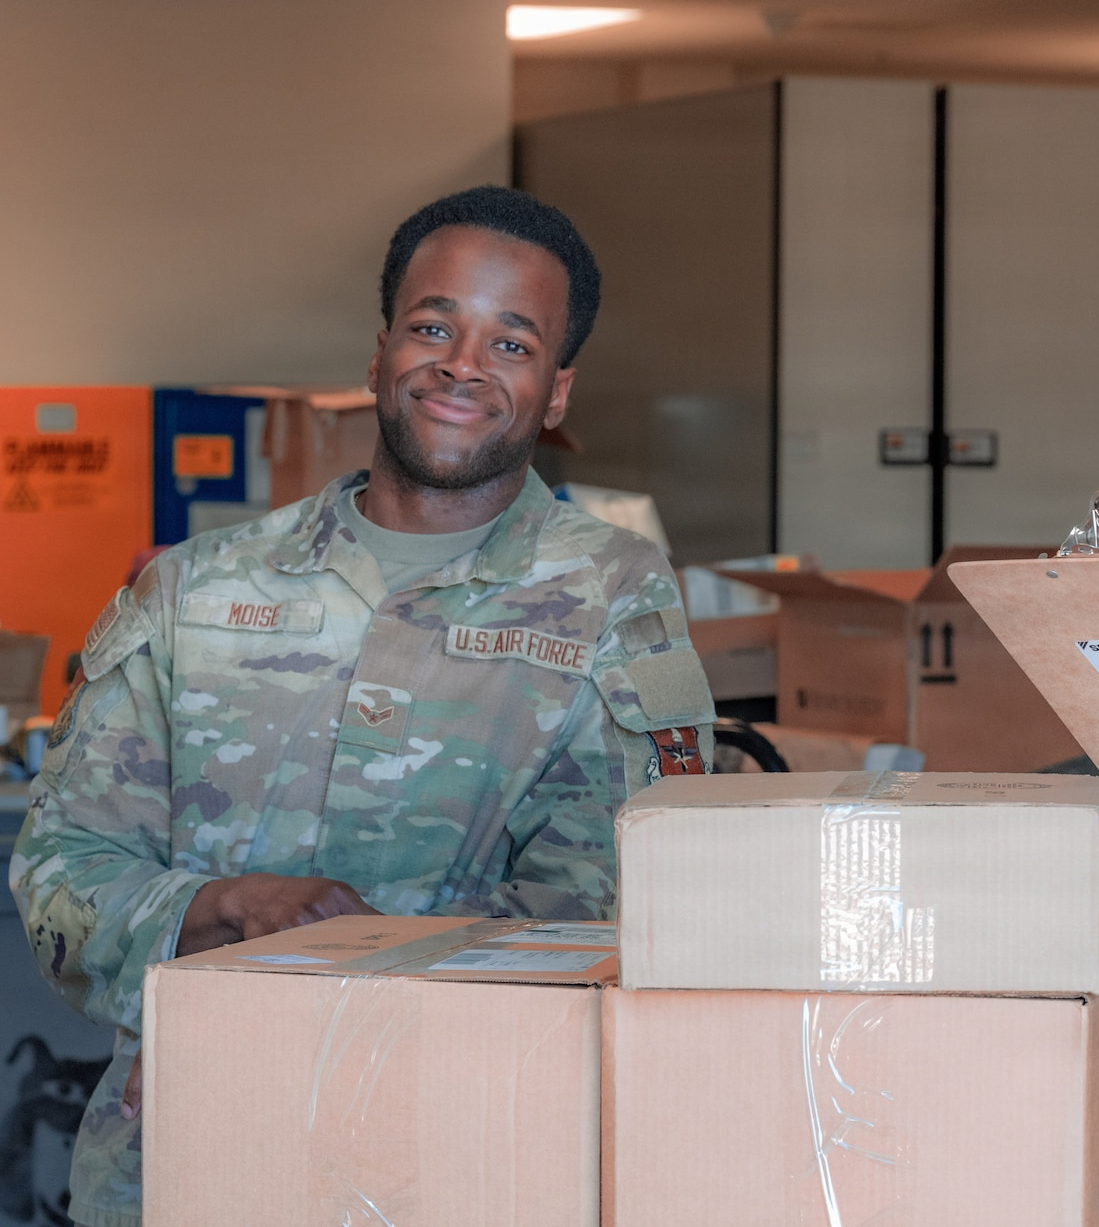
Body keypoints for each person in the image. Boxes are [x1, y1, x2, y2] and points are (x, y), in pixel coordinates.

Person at [9, 186, 715, 1227]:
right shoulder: (194, 590)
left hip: (467, 1161)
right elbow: (62, 873)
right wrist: (227, 906)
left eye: (509, 344)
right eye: (433, 326)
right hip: (189, 1161)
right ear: (379, 351)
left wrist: (348, 988)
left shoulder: (612, 598)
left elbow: (631, 913)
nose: (462, 365)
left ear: (556, 391)